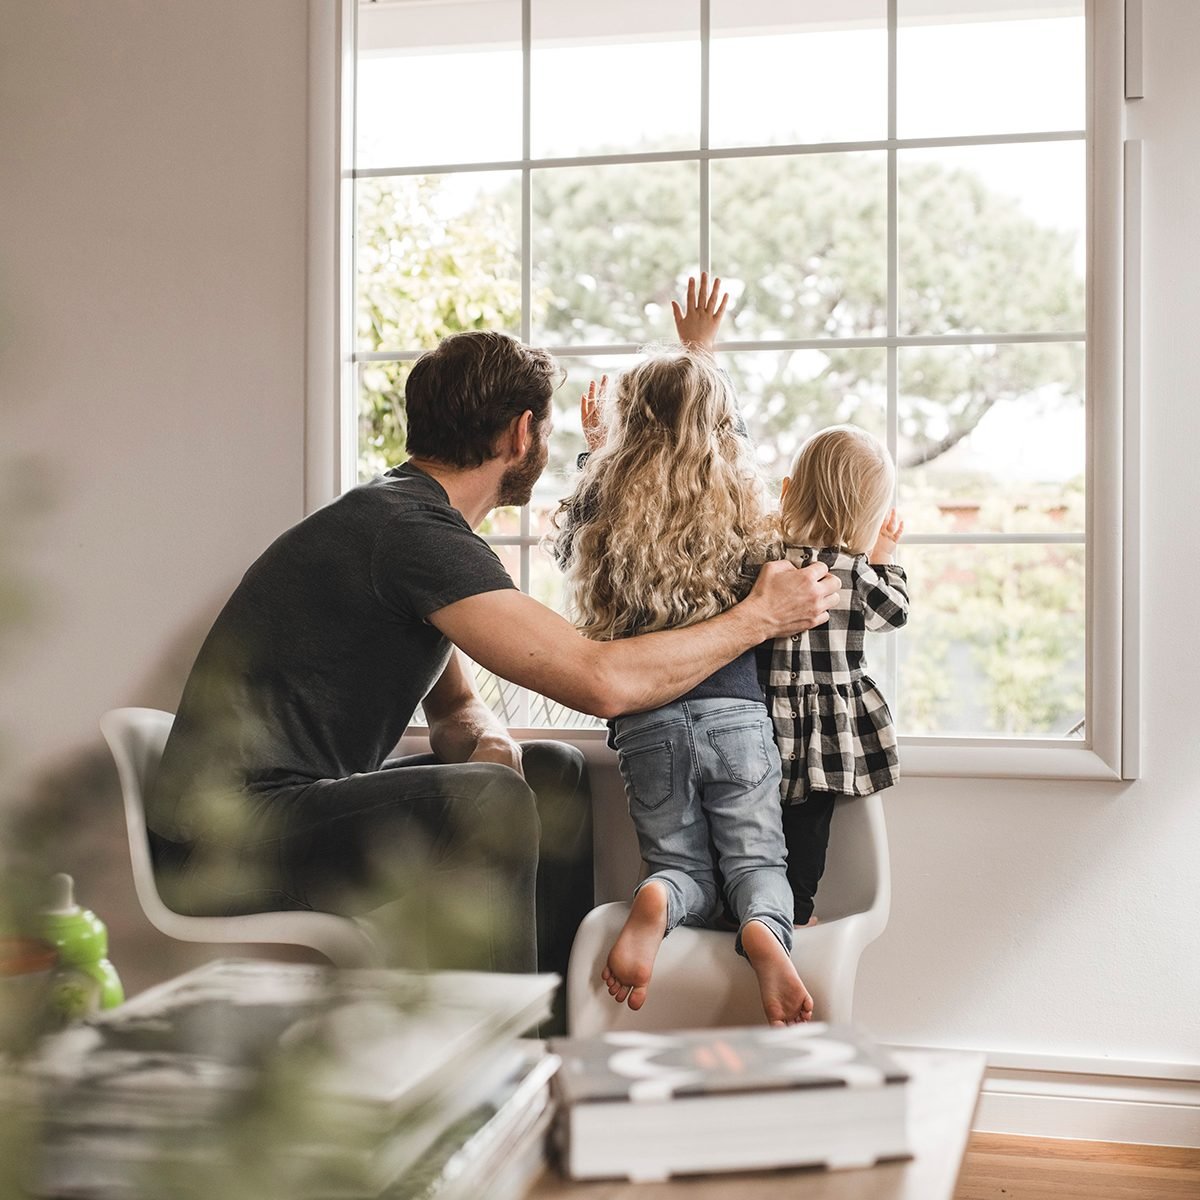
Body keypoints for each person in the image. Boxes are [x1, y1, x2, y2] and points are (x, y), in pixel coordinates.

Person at [149, 326, 841, 1004]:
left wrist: (489, 740)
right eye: (543, 430)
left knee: (550, 774)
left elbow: (453, 709)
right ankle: (507, 1054)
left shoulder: (400, 523)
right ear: (519, 435)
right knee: (490, 797)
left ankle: (555, 1018)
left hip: (275, 812)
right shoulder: (413, 535)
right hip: (219, 841)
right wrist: (759, 617)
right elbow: (603, 683)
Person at [555, 275, 816, 1025]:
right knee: (758, 866)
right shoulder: (739, 500)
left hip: (645, 726)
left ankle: (660, 897)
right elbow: (716, 447)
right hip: (736, 719)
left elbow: (577, 527)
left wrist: (598, 454)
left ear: (623, 426)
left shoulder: (607, 506)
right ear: (722, 429)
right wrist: (700, 356)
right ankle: (767, 933)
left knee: (680, 865)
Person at [765, 425, 908, 928]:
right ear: (868, 519)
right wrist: (885, 556)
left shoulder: (767, 561)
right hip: (829, 723)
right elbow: (893, 614)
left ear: (788, 491)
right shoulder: (856, 571)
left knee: (755, 821)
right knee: (809, 823)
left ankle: (748, 905)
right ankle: (798, 910)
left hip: (766, 715)